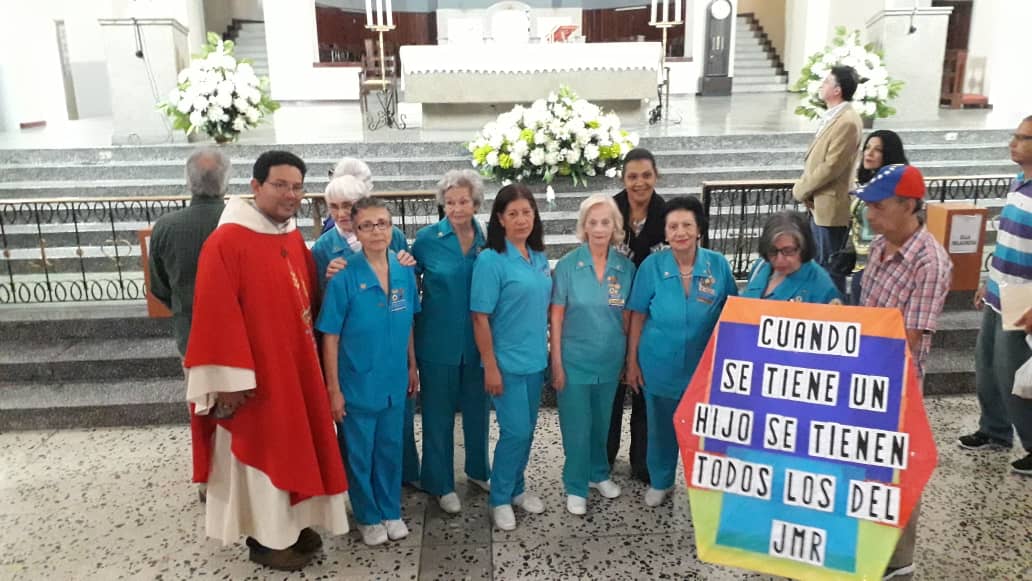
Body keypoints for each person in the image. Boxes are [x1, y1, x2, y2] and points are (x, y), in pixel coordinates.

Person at [184, 150, 348, 571]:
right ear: (256, 187)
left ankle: (294, 525)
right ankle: (267, 539)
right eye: (280, 185)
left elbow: (305, 298)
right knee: (265, 457)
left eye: (297, 187)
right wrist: (230, 381)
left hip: (295, 368)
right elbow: (215, 315)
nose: (290, 195)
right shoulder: (227, 241)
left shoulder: (289, 235)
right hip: (255, 382)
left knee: (300, 446)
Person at [854, 164, 952, 580]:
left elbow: (906, 339)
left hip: (897, 390)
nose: (870, 215)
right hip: (861, 376)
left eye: (878, 207)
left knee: (894, 471)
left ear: (908, 205)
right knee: (862, 466)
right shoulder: (878, 247)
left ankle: (899, 561)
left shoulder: (930, 262)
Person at [316, 196, 421, 546]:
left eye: (383, 224)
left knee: (390, 448)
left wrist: (412, 364)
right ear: (355, 231)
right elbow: (329, 336)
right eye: (367, 225)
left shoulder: (404, 268)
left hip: (394, 377)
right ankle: (367, 514)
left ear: (392, 227)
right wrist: (333, 389)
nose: (376, 231)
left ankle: (391, 509)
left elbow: (407, 322)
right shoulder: (345, 274)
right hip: (356, 380)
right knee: (360, 452)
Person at [625, 196, 737, 508]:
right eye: (673, 226)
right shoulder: (652, 266)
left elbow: (733, 312)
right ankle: (661, 481)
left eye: (687, 224)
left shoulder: (718, 265)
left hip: (705, 367)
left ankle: (704, 487)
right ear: (665, 232)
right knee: (660, 425)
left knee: (704, 429)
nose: (680, 232)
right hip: (658, 362)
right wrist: (632, 361)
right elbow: (636, 314)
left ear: (699, 228)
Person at [148, 148, 229, 503]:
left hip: (191, 335)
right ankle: (243, 477)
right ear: (226, 180)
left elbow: (159, 286)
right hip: (239, 335)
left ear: (188, 180)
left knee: (201, 407)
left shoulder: (166, 227)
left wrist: (183, 309)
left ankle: (207, 479)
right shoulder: (241, 221)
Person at [471, 183, 552, 531]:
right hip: (505, 363)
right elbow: (479, 317)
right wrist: (490, 365)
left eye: (527, 212)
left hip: (535, 360)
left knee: (528, 430)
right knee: (515, 431)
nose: (521, 220)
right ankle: (499, 497)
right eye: (513, 214)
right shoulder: (491, 260)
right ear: (500, 219)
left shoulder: (538, 258)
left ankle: (517, 488)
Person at [411, 170, 491, 514]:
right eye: (451, 202)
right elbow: (406, 281)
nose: (457, 208)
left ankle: (477, 470)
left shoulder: (484, 238)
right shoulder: (427, 239)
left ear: (475, 203)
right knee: (437, 415)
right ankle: (440, 482)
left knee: (477, 411)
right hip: (436, 341)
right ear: (442, 203)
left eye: (464, 201)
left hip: (476, 341)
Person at [550, 194, 635, 516]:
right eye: (593, 222)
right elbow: (556, 317)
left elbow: (627, 318)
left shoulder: (625, 268)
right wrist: (556, 361)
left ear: (615, 226)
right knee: (576, 425)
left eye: (606, 222)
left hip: (609, 361)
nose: (599, 228)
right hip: (574, 361)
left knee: (602, 423)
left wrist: (628, 361)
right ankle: (575, 484)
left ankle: (598, 473)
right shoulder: (569, 266)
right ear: (583, 227)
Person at [959, 115, 1032, 477]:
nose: (1013, 142)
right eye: (1014, 135)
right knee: (986, 363)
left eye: (1023, 138)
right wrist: (986, 281)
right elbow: (1006, 242)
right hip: (999, 290)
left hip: (1024, 297)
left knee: (1012, 372)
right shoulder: (1019, 183)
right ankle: (994, 429)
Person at [609, 147, 666, 485]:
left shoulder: (666, 213)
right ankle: (604, 454)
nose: (639, 182)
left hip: (651, 318)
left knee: (644, 389)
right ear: (623, 179)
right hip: (614, 315)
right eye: (632, 176)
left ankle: (643, 461)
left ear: (656, 176)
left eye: (646, 175)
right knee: (612, 393)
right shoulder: (611, 209)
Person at [792, 65, 863, 295]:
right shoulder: (834, 117)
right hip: (820, 202)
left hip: (832, 207)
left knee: (831, 268)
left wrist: (802, 189)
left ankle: (834, 313)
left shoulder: (847, 122)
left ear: (837, 90)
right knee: (818, 264)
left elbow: (832, 166)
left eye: (826, 82)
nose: (821, 85)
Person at [850, 130, 910, 303]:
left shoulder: (895, 188)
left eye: (877, 150)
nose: (869, 153)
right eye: (867, 148)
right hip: (861, 263)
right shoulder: (870, 182)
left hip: (880, 267)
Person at [741, 210, 841, 304]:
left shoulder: (823, 287)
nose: (779, 260)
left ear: (804, 248)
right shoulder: (760, 267)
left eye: (788, 251)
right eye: (773, 251)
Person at [321, 157, 373, 234]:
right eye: (334, 207)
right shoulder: (327, 239)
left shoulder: (389, 233)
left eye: (347, 206)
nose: (341, 214)